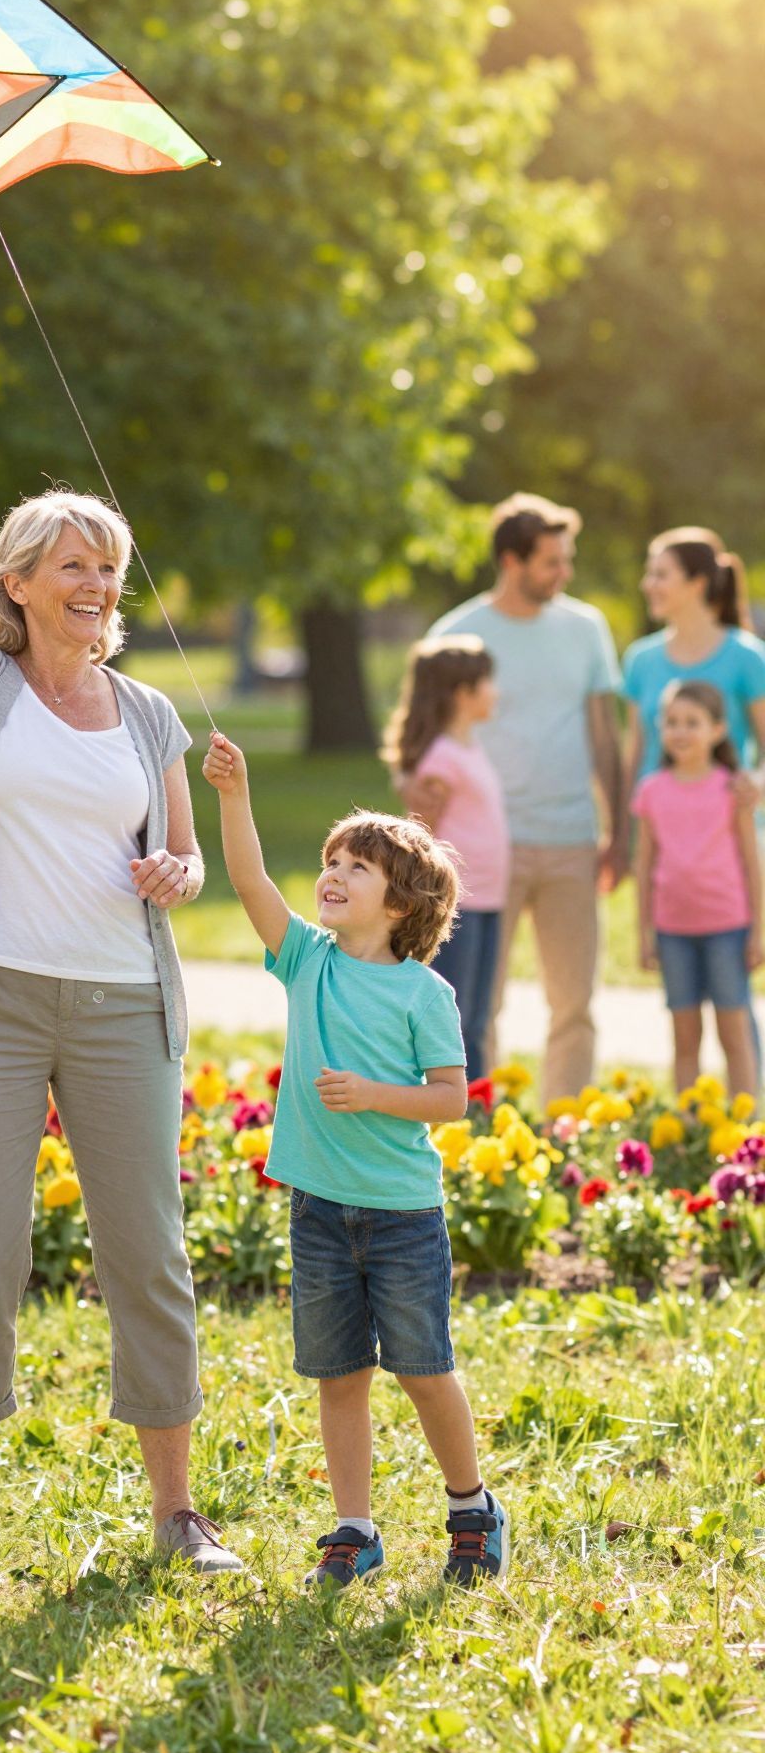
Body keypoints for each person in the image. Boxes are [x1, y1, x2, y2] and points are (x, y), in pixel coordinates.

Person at [0, 318, 242, 1578]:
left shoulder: (148, 709)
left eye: (108, 569)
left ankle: (178, 1513)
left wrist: (178, 869)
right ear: (16, 580)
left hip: (124, 1003)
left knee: (149, 1250)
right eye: (70, 563)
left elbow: (178, 855)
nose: (94, 583)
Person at [202, 730, 510, 1590]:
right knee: (339, 1374)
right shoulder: (305, 961)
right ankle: (354, 1528)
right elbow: (250, 882)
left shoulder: (424, 994)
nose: (331, 876)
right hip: (319, 1208)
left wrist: (374, 1093)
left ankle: (471, 1508)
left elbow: (452, 1099)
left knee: (423, 1368)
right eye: (331, 861)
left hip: (403, 1213)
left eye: (357, 869)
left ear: (403, 905)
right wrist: (235, 795)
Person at [418, 492, 625, 1104]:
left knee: (575, 1002)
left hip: (570, 839)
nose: (564, 574)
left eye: (567, 560)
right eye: (551, 562)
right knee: (477, 1002)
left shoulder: (586, 628)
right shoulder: (455, 635)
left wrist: (618, 836)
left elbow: (604, 736)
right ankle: (479, 1119)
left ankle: (565, 1120)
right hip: (478, 850)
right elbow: (419, 740)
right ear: (511, 560)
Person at [386, 636, 509, 1079]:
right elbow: (419, 838)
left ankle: (477, 1103)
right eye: (488, 683)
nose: (496, 691)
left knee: (477, 1014)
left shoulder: (468, 748)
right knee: (456, 1015)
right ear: (463, 693)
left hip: (490, 899)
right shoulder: (440, 759)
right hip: (459, 904)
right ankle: (456, 1100)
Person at [633, 680, 762, 1100]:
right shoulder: (651, 790)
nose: (681, 731)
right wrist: (643, 933)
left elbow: (751, 862)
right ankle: (689, 1129)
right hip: (673, 932)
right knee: (685, 1038)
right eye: (672, 722)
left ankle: (746, 1129)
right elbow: (644, 865)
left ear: (718, 730)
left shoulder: (732, 789)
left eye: (693, 722)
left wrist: (759, 930)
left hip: (728, 928)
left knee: (733, 1033)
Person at [623, 527, 765, 786]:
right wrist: (620, 825)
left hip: (725, 822)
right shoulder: (640, 659)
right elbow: (637, 755)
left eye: (660, 575)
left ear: (697, 583)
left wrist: (755, 783)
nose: (647, 585)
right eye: (649, 574)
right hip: (656, 824)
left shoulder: (748, 657)